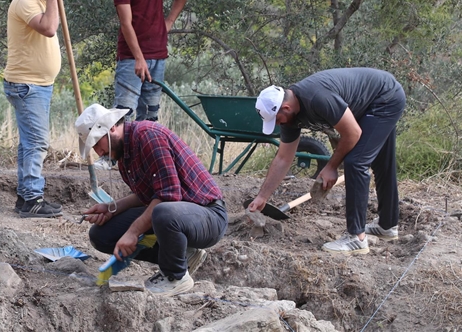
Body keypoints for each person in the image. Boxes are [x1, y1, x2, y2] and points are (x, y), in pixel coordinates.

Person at [248, 68, 406, 255]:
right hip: (372, 102)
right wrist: (262, 197)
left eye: (276, 120)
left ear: (286, 108)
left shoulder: (316, 98)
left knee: (356, 162)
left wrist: (331, 166)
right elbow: (283, 158)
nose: (277, 125)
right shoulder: (289, 118)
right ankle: (387, 226)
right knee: (380, 162)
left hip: (385, 97)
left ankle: (356, 238)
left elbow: (353, 133)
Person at [75, 104, 228, 295]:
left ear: (111, 127)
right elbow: (146, 196)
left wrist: (133, 232)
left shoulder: (148, 135)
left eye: (97, 143)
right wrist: (111, 208)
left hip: (208, 216)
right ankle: (185, 255)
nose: (99, 152)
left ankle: (176, 276)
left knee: (163, 212)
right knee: (101, 235)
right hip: (178, 214)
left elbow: (167, 196)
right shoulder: (124, 154)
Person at [3, 0, 68, 218]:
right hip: (27, 85)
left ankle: (24, 197)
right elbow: (50, 28)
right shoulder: (25, 1)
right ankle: (32, 199)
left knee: (29, 143)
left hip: (39, 84)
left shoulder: (40, 0)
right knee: (37, 143)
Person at [111, 0, 187, 122]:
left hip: (158, 56)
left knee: (150, 116)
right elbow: (125, 23)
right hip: (131, 59)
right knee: (123, 115)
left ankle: (144, 153)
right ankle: (115, 153)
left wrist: (168, 22)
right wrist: (139, 58)